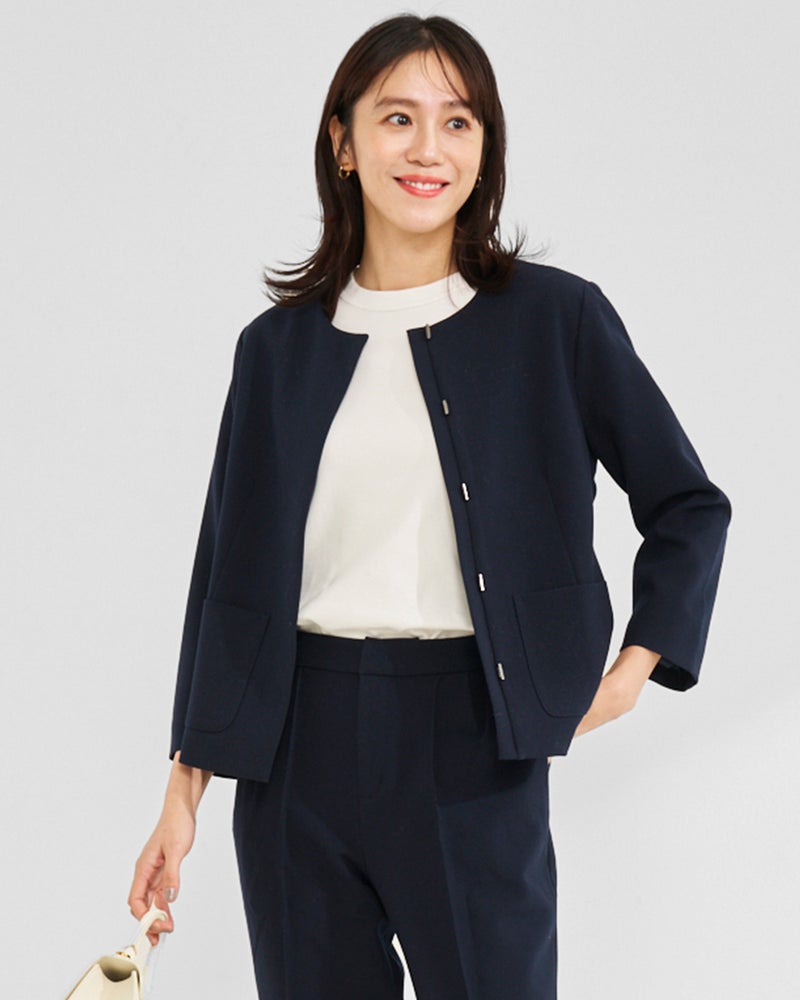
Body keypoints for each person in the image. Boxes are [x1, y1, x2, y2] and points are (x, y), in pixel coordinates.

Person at [128, 13, 731, 999]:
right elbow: (225, 578)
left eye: (457, 122)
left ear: (485, 147)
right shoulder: (274, 350)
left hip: (471, 742)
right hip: (293, 753)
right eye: (397, 118)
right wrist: (181, 791)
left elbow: (687, 504)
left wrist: (633, 671)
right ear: (343, 141)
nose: (427, 149)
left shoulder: (555, 320)